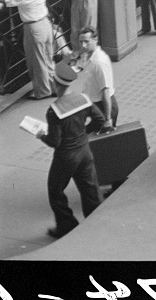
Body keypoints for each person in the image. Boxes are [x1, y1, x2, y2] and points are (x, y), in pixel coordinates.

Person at [38, 58, 106, 238]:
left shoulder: (54, 110)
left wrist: (40, 135)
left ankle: (67, 225)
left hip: (65, 157)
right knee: (90, 188)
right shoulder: (83, 99)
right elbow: (100, 120)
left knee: (55, 190)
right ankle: (97, 221)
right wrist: (83, 133)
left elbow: (55, 142)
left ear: (55, 83)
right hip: (84, 152)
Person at [0, 0, 55, 100]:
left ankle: (42, 92)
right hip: (46, 25)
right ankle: (52, 87)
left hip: (34, 28)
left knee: (37, 61)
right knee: (47, 58)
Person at [78, 26, 118, 128]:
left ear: (95, 40)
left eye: (86, 41)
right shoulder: (89, 56)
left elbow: (105, 91)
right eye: (81, 42)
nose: (83, 45)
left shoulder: (99, 62)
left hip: (103, 108)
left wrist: (108, 118)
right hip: (95, 106)